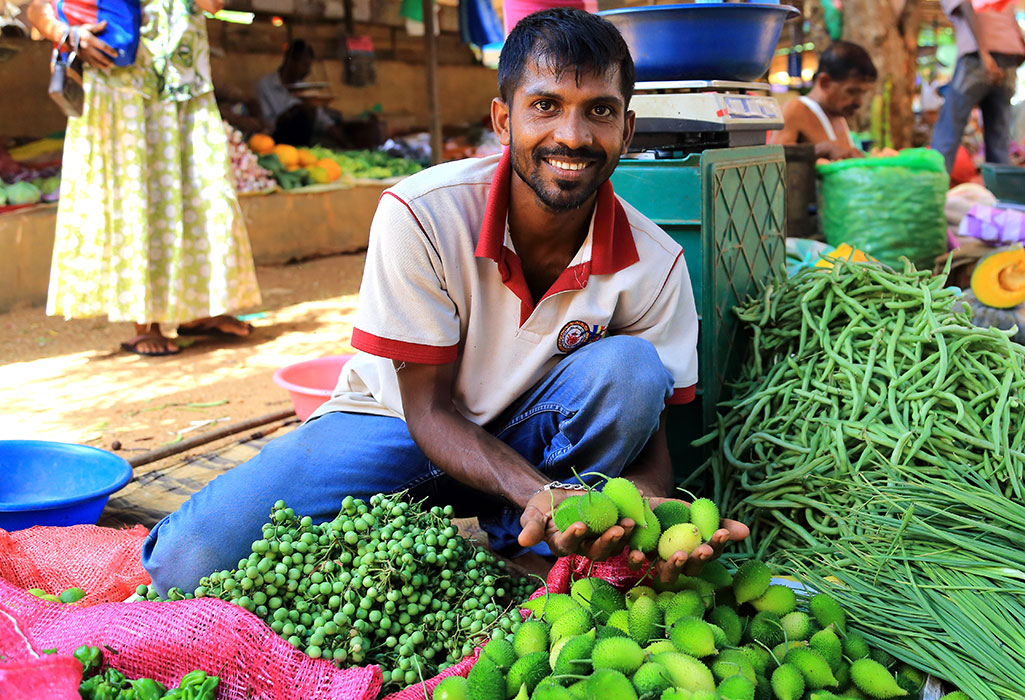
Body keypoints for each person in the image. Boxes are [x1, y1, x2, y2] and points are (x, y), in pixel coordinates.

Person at [142, 8, 749, 595]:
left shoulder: (657, 261)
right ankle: (525, 510)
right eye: (545, 106)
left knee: (632, 370)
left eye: (599, 111)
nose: (573, 134)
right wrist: (538, 488)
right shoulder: (423, 214)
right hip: (395, 427)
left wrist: (649, 512)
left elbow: (651, 449)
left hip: (531, 437)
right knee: (184, 563)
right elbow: (428, 413)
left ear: (627, 129)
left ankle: (529, 539)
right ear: (503, 120)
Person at [25, 0, 260, 356]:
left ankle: (198, 312)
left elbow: (214, 5)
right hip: (124, 96)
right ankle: (144, 321)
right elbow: (35, 8)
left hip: (185, 91)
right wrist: (66, 34)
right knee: (137, 198)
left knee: (202, 194)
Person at [929, 0, 1025, 173]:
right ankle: (998, 195)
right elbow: (1014, 27)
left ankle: (933, 189)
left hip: (977, 59)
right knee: (999, 139)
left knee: (948, 130)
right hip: (1009, 57)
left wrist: (984, 53)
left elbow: (967, 5)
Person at [770, 41, 876, 161]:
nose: (860, 102)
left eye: (863, 93)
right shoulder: (797, 109)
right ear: (824, 82)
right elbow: (773, 162)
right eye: (851, 92)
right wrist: (819, 150)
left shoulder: (837, 114)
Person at [255, 39, 337, 146]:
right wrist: (291, 112)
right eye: (305, 65)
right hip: (273, 142)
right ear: (290, 61)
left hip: (301, 145)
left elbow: (323, 121)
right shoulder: (265, 84)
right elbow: (265, 122)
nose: (308, 71)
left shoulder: (305, 89)